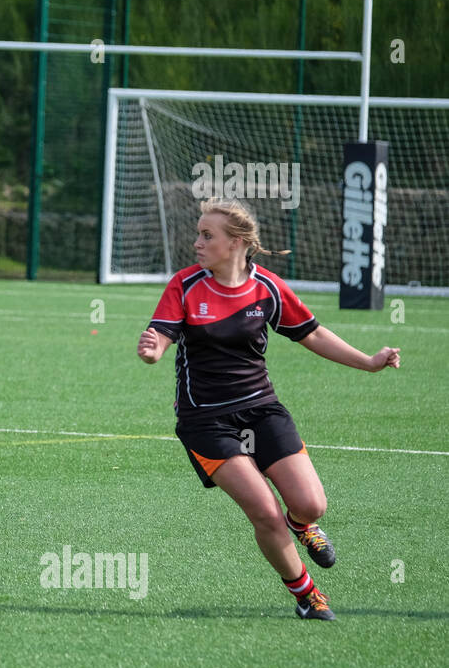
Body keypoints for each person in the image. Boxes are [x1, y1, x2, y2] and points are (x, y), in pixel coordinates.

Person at [137, 198, 401, 621]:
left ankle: (304, 525)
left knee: (311, 505)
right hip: (205, 420)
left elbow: (312, 335)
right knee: (264, 511)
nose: (197, 243)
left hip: (261, 410)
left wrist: (369, 362)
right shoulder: (184, 285)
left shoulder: (269, 288)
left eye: (208, 235)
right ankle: (307, 596)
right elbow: (161, 335)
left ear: (237, 243)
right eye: (198, 234)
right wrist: (152, 350)